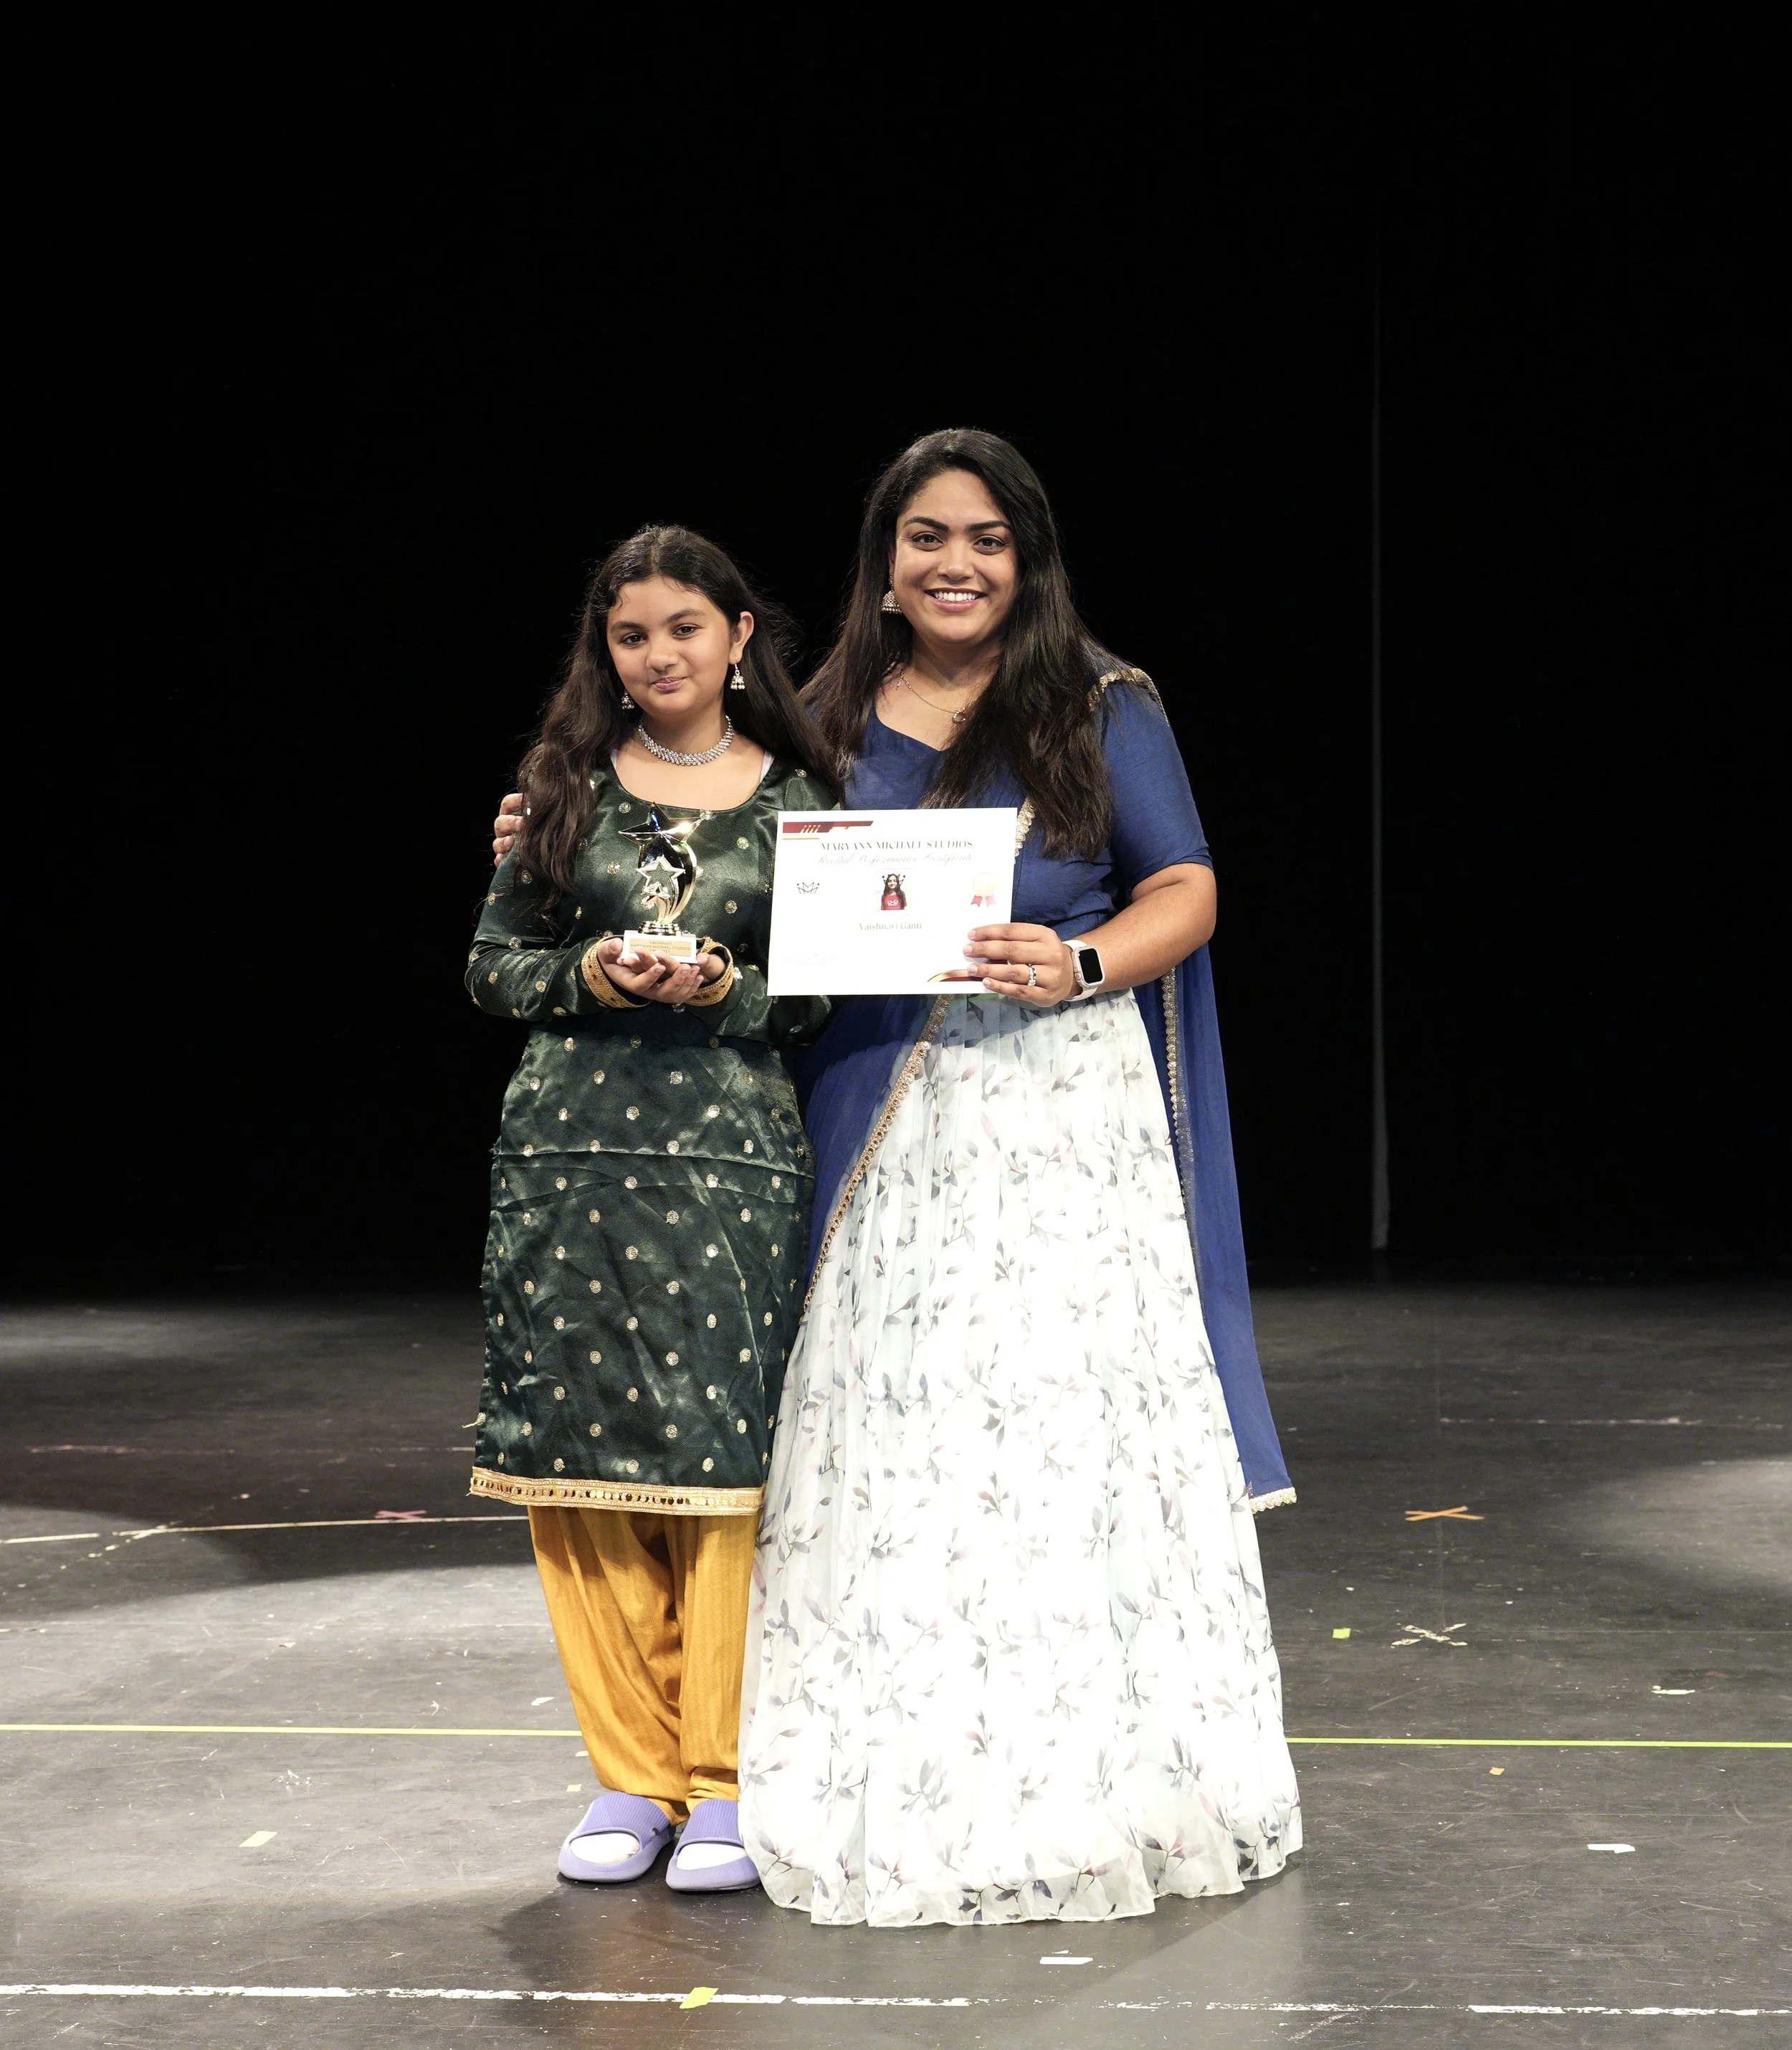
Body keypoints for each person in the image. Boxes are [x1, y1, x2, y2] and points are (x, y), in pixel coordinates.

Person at [493, 430, 1301, 1928]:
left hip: (1059, 1108)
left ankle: (1087, 1771)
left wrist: (1075, 959)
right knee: (893, 1428)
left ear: (1027, 557)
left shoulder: (1101, 704)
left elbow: (1184, 886)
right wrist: (567, 835)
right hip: (882, 1110)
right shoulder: (830, 714)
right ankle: (799, 1766)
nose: (954, 563)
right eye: (924, 535)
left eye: (985, 538)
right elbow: (707, 815)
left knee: (1059, 1432)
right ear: (882, 558)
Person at [468, 524, 835, 1893]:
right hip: (567, 1158)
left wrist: (716, 991)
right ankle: (627, 1774)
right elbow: (494, 965)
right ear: (607, 655)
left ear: (739, 638)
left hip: (725, 1158)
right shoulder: (557, 785)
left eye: (686, 626)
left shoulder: (804, 802)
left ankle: (724, 1781)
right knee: (580, 1460)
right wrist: (598, 979)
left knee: (717, 1462)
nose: (659, 654)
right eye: (632, 635)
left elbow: (813, 995)